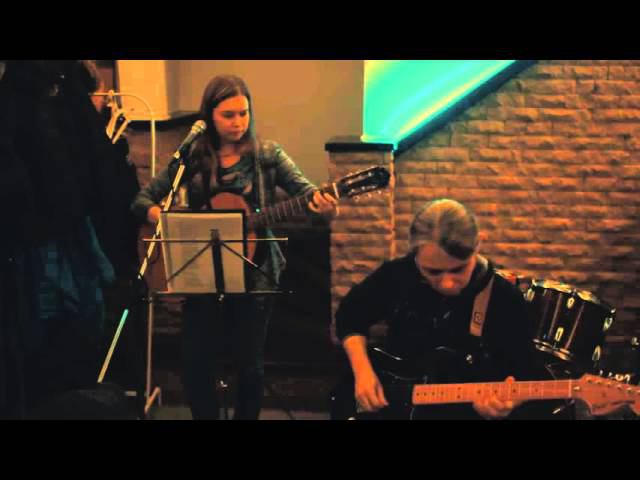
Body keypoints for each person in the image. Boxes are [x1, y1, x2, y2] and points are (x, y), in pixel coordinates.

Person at [131, 74, 337, 420]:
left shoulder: (268, 155)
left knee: (248, 366)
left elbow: (306, 193)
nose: (238, 122)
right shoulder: (193, 156)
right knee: (196, 363)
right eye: (228, 115)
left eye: (244, 113)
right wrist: (166, 220)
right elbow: (142, 200)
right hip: (203, 273)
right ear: (209, 115)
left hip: (256, 274)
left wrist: (324, 204)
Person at [333, 198, 565, 420]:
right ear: (414, 254)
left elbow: (524, 372)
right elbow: (350, 315)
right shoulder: (397, 275)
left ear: (478, 244)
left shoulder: (504, 297)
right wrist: (363, 372)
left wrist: (505, 405)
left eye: (458, 269)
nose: (447, 283)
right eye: (432, 271)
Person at [0, 61, 125, 418]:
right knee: (58, 333)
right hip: (50, 234)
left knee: (52, 334)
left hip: (48, 234)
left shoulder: (38, 92)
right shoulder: (49, 91)